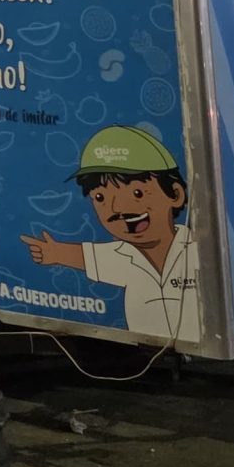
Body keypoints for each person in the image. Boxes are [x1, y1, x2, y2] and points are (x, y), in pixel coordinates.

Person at [24, 126, 198, 342]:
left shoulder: (197, 248)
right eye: (100, 198)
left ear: (176, 195)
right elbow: (86, 256)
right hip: (144, 346)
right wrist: (53, 252)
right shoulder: (120, 255)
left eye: (137, 193)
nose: (117, 208)